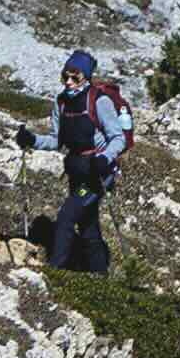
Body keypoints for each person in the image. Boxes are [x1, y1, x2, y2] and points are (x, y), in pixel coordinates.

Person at [45, 47, 131, 273]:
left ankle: (55, 270)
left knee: (66, 216)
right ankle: (99, 275)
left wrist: (104, 158)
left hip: (97, 174)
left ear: (86, 77)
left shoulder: (100, 102)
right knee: (87, 226)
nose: (69, 82)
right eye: (65, 76)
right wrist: (31, 140)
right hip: (77, 171)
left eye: (75, 77)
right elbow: (55, 140)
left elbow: (118, 138)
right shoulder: (61, 102)